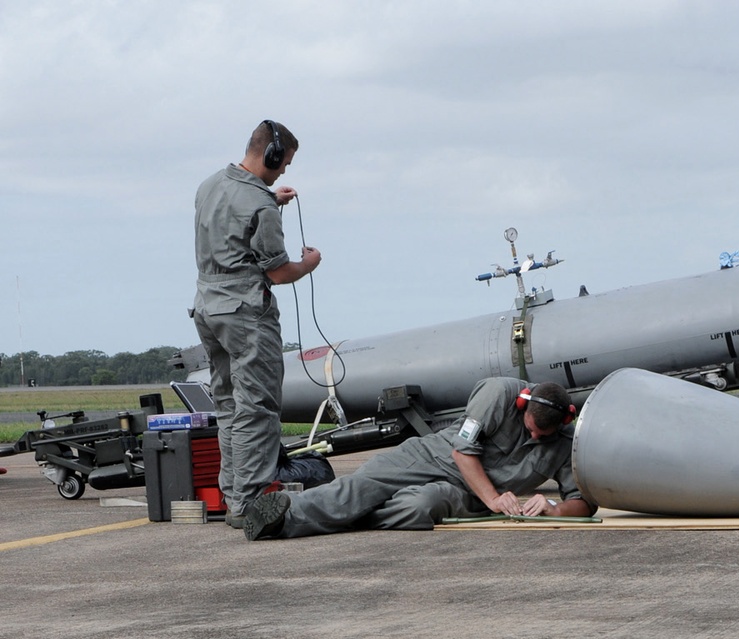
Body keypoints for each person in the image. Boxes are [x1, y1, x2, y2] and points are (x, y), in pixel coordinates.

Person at [242, 377, 595, 540]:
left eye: (542, 437)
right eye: (530, 429)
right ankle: (283, 514)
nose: (534, 438)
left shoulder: (564, 441)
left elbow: (583, 504)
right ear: (523, 405)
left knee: (421, 507)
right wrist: (494, 497)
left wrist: (552, 506)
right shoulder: (499, 394)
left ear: (564, 422)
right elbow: (463, 450)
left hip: (468, 497)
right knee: (363, 486)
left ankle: (329, 515)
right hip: (431, 457)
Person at [192, 121, 321, 527]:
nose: (284, 171)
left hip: (209, 309)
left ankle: (234, 496)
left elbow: (233, 222)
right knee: (259, 406)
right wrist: (309, 264)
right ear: (271, 155)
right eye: (284, 163)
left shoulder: (210, 185)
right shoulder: (260, 205)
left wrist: (270, 201)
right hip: (247, 313)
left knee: (229, 404)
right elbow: (280, 273)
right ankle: (250, 502)